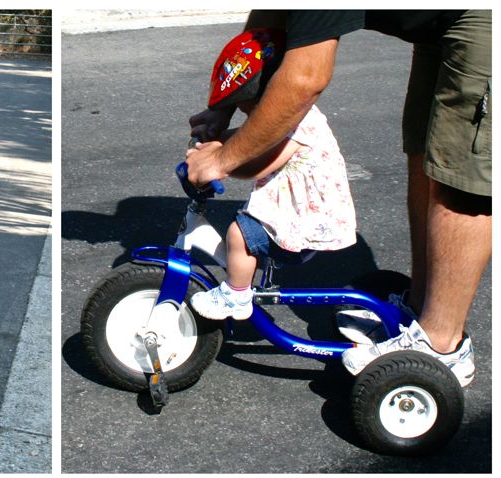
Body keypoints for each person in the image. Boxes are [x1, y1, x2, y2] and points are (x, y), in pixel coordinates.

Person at [186, 11, 490, 387]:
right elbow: (267, 29)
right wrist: (224, 106)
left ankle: (442, 347)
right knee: (427, 154)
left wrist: (221, 160)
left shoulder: (302, 125)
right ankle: (419, 310)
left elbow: (304, 78)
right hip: (438, 23)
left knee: (460, 173)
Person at [189, 29, 357, 321]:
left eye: (247, 107)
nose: (247, 115)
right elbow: (249, 136)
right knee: (244, 230)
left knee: (240, 234)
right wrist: (215, 140)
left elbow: (257, 163)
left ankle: (236, 296)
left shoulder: (297, 127)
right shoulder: (286, 115)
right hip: (298, 213)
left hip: (305, 223)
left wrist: (218, 164)